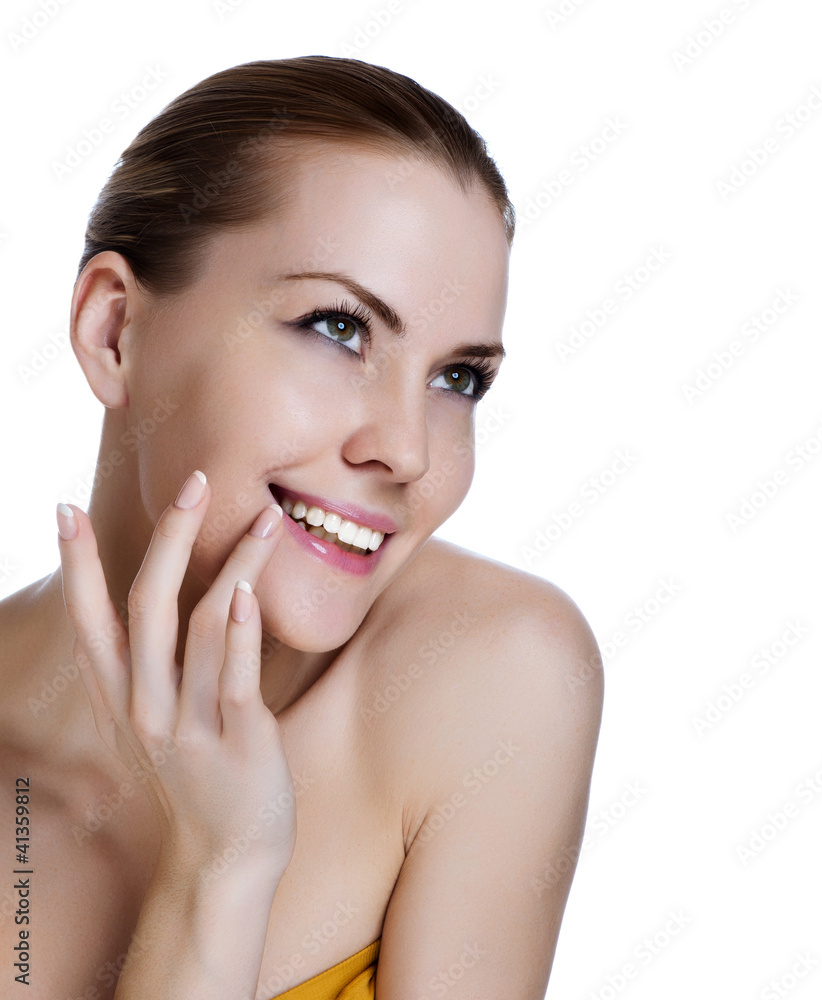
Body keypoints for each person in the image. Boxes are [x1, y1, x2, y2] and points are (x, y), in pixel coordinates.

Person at [0, 55, 602, 999]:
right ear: (115, 330)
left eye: (458, 378)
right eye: (338, 328)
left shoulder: (497, 675)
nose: (407, 450)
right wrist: (218, 872)